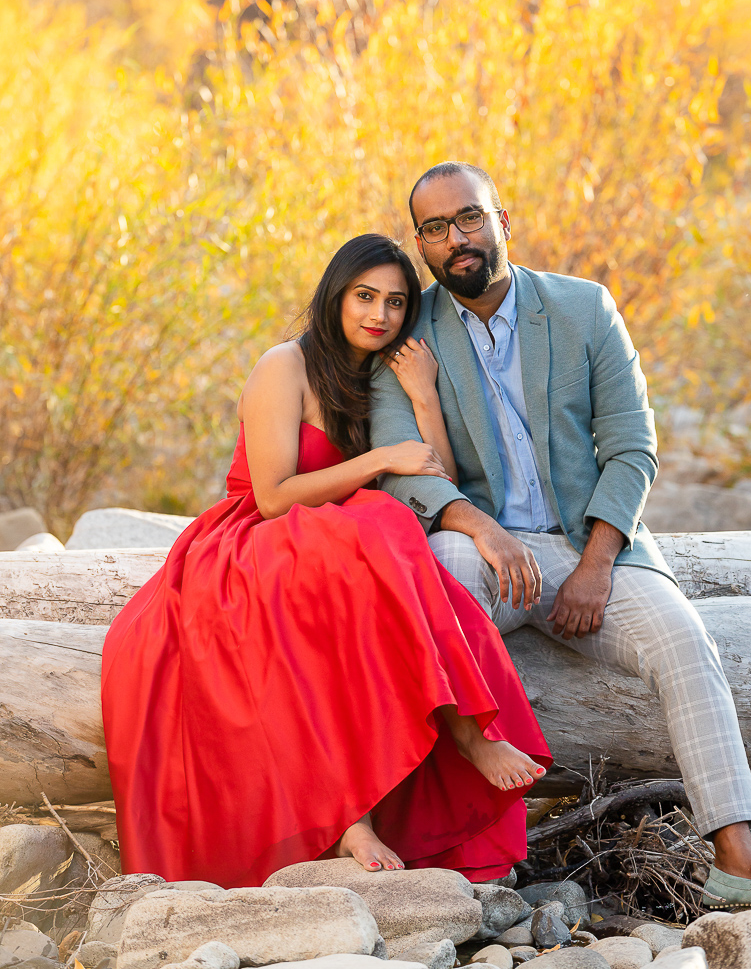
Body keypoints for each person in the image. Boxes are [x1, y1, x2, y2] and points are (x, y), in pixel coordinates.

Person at [370, 162, 751, 911]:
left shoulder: (583, 308)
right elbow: (406, 472)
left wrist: (594, 564)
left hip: (591, 548)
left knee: (686, 642)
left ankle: (736, 864)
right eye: (434, 227)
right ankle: (429, 850)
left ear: (502, 219)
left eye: (469, 218)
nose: (456, 239)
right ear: (419, 241)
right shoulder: (407, 332)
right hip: (480, 546)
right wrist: (482, 526)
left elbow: (632, 446)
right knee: (437, 582)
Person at [101, 234, 550, 888]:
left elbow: (433, 482)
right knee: (379, 522)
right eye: (364, 297)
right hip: (251, 539)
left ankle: (387, 786)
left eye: (396, 302)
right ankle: (415, 765)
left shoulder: (379, 375)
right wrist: (375, 462)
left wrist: (422, 395)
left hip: (339, 544)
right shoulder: (284, 365)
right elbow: (274, 493)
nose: (380, 314)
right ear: (334, 296)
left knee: (386, 534)